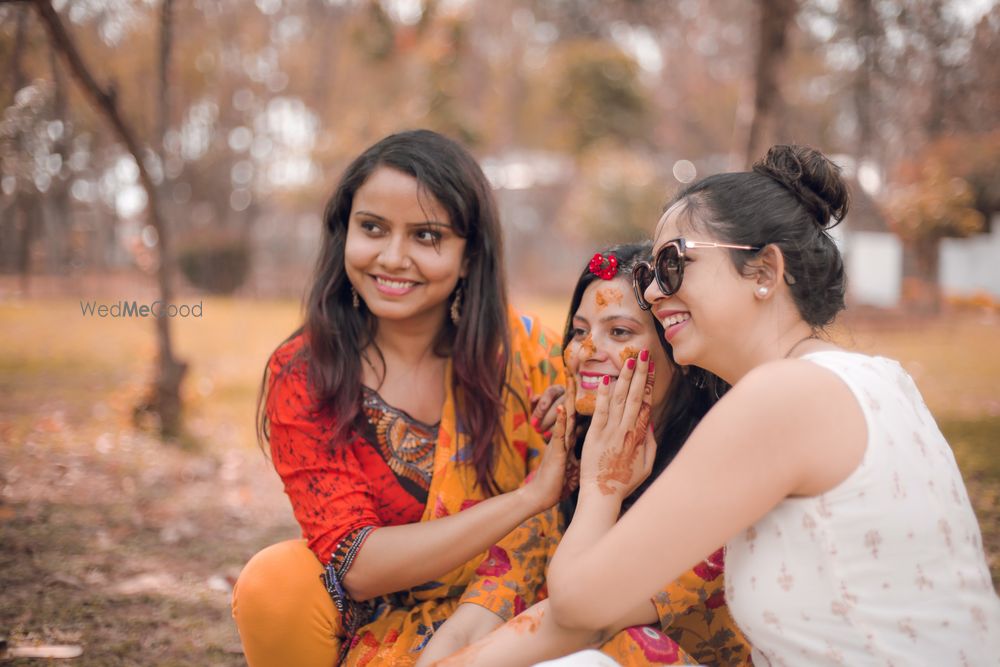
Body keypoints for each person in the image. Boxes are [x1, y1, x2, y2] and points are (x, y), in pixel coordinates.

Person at [541, 145, 1000, 665]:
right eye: (648, 274)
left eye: (671, 265)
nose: (650, 292)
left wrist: (604, 478)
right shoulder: (877, 377)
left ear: (763, 272)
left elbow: (579, 602)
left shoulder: (781, 399)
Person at [230, 129, 572, 667]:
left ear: (468, 255)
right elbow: (357, 564)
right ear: (344, 232)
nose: (393, 257)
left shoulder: (530, 357)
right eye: (372, 228)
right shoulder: (307, 372)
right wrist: (529, 497)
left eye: (427, 236)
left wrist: (577, 428)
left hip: (520, 606)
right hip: (379, 624)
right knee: (275, 582)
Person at [421, 244, 750, 666]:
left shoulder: (716, 477)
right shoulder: (570, 462)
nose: (585, 352)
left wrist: (604, 485)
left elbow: (584, 619)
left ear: (680, 352)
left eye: (619, 333)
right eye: (579, 331)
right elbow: (481, 613)